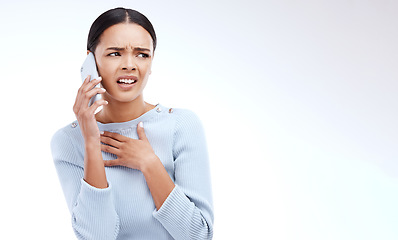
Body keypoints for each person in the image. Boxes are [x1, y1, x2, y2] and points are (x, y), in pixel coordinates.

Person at [50, 7, 213, 240]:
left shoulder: (181, 125)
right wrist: (90, 142)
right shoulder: (68, 141)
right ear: (91, 60)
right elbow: (97, 236)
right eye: (115, 53)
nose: (129, 64)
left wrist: (149, 163)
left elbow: (198, 235)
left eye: (142, 54)